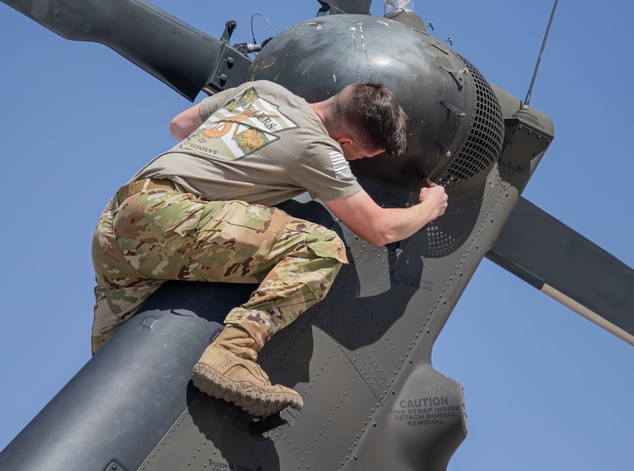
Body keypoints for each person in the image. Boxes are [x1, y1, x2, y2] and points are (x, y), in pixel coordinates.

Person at [90, 79, 447, 417]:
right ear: (347, 143)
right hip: (169, 218)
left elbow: (180, 126)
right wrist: (430, 206)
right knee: (321, 246)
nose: (357, 163)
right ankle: (232, 354)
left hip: (116, 224)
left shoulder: (263, 90)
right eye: (364, 157)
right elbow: (379, 228)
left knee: (116, 375)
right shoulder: (319, 148)